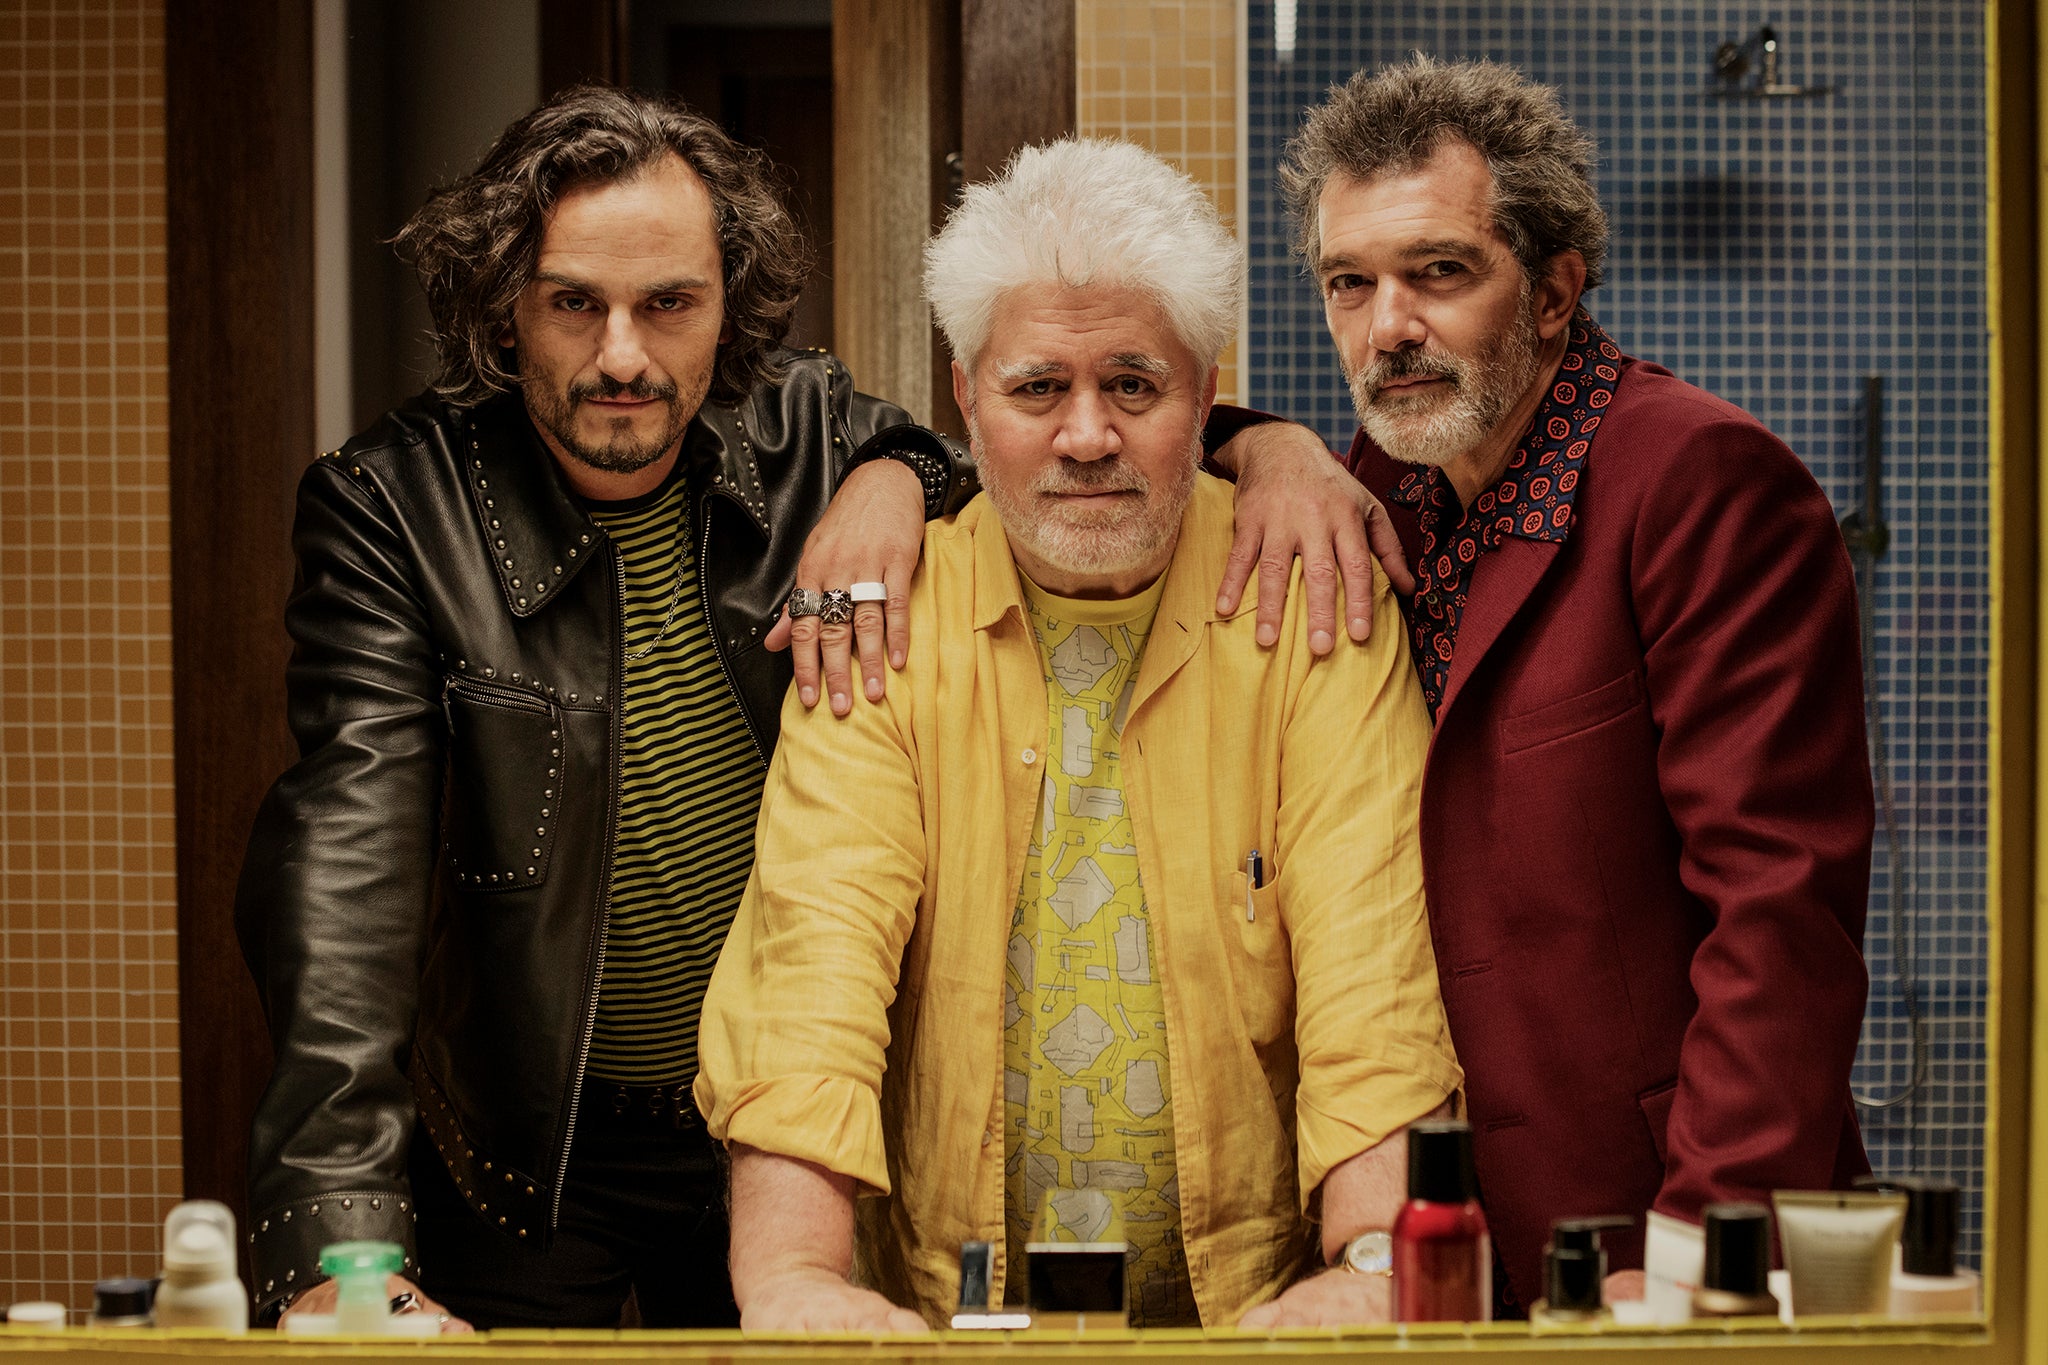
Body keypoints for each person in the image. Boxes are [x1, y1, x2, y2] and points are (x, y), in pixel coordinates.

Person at [234, 86, 1379, 1332]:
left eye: (668, 303)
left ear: (727, 306)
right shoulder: (395, 511)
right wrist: (336, 1246)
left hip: (783, 1138)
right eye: (572, 303)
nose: (621, 356)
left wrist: (1273, 450)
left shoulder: (811, 438)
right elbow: (344, 878)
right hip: (532, 1151)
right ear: (502, 304)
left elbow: (1051, 430)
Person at [694, 137, 1462, 1333]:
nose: (1087, 435)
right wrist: (793, 1277)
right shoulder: (880, 617)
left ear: (1205, 393)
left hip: (1252, 1320)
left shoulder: (1308, 599)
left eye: (1135, 387)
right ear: (966, 398)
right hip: (945, 1322)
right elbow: (811, 963)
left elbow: (1379, 984)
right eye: (1037, 388)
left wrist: (1367, 1269)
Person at [1277, 55, 1874, 1311]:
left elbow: (1777, 919)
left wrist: (1698, 1252)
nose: (1386, 328)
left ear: (1552, 292)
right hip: (1446, 1238)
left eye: (1439, 272)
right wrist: (1257, 441)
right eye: (1349, 283)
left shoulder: (1699, 483)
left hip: (1657, 1228)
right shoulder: (1384, 485)